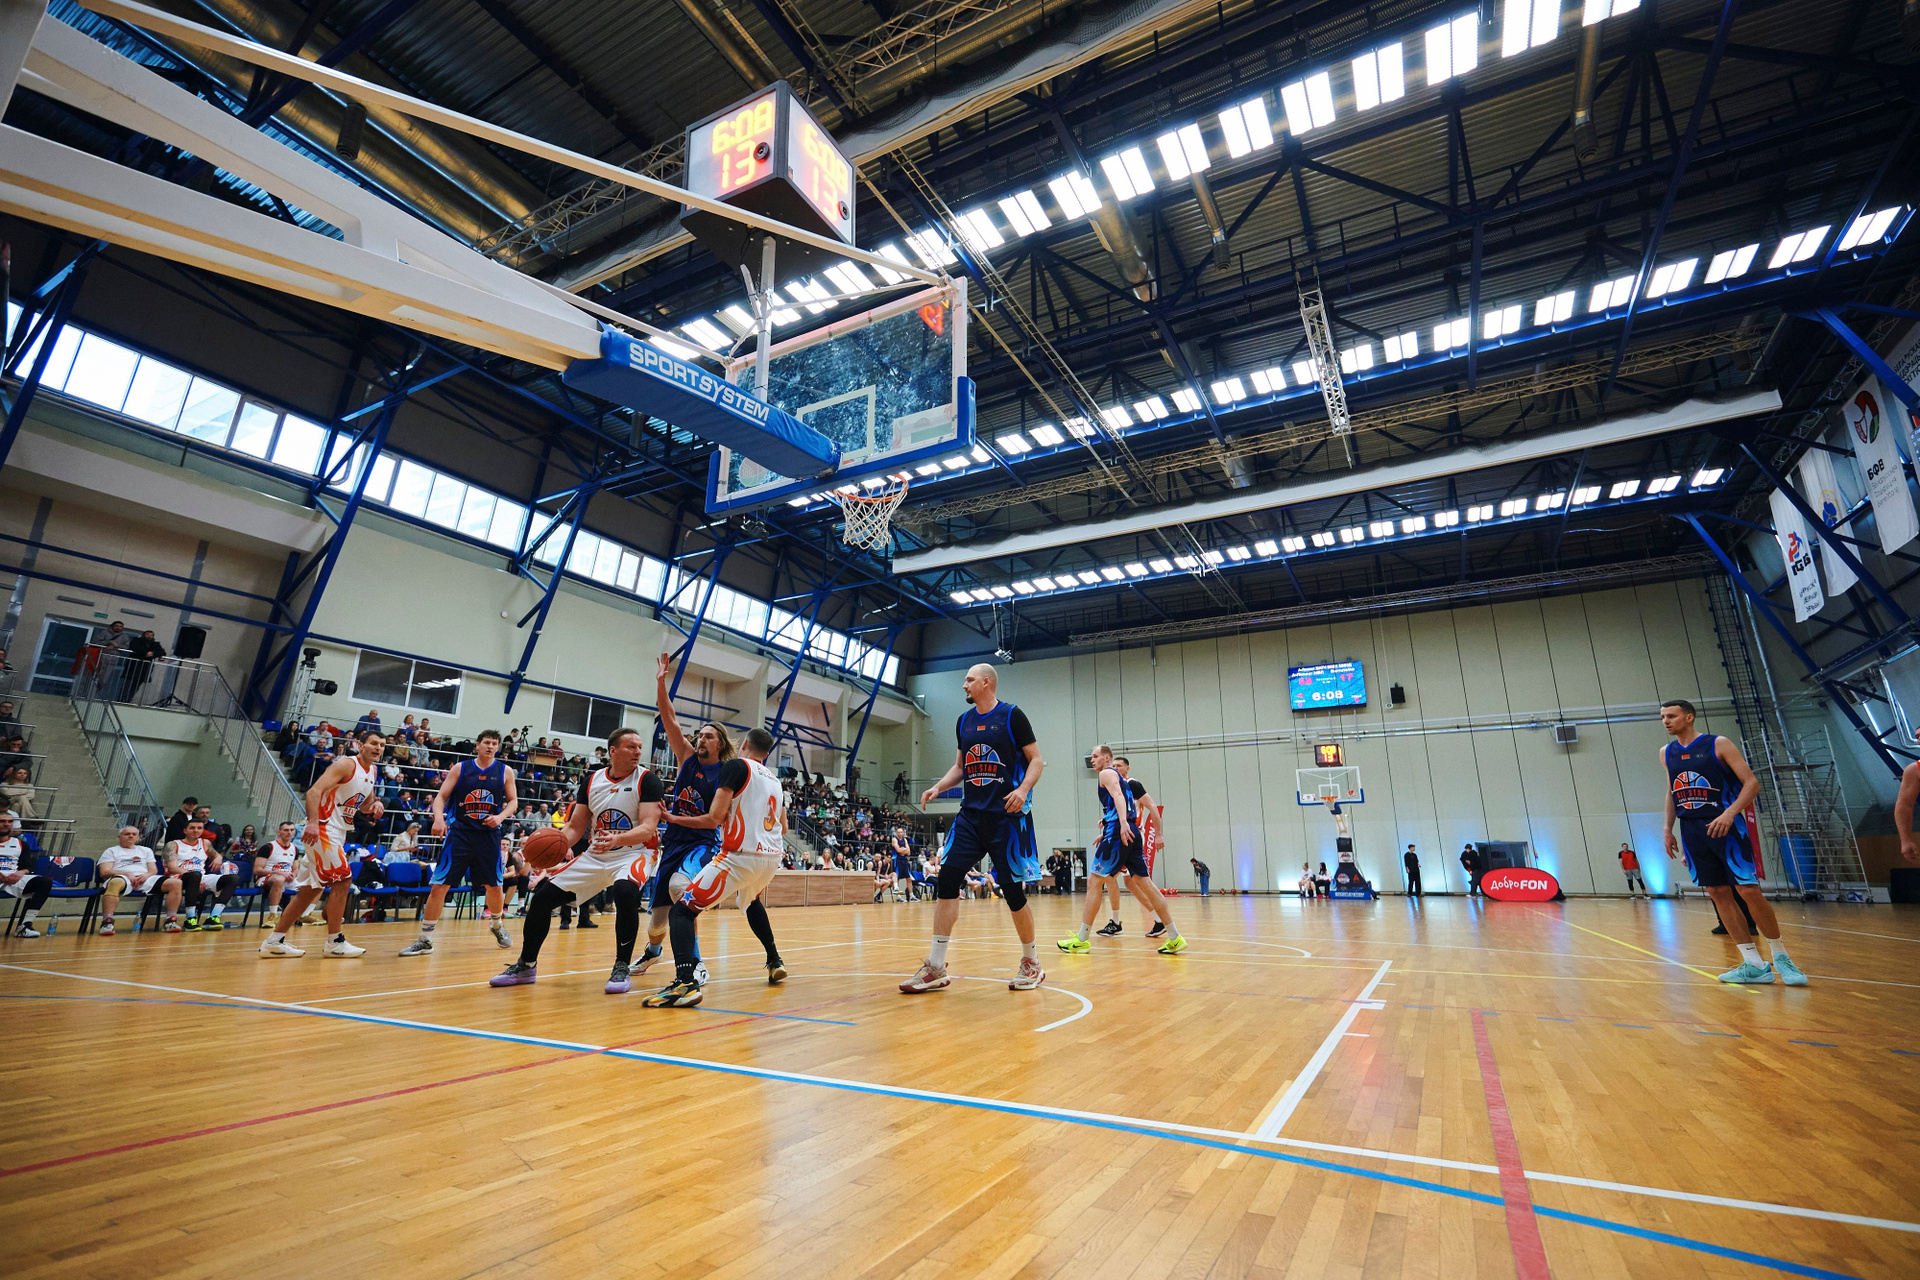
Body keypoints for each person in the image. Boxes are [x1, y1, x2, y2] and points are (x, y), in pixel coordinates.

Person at [901, 663, 1047, 994]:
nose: (964, 685)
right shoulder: (963, 721)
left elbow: (1036, 760)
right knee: (948, 879)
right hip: (970, 816)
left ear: (986, 682)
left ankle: (1032, 963)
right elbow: (960, 767)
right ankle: (936, 966)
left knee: (1013, 892)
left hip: (1006, 817)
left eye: (969, 680)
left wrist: (1023, 789)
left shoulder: (1012, 716)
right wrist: (938, 787)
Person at [490, 725, 664, 991]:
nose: (638, 751)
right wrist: (545, 848)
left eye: (640, 747)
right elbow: (575, 827)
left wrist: (616, 839)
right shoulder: (593, 780)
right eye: (631, 747)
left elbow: (649, 827)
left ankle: (621, 966)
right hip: (597, 854)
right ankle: (526, 966)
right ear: (613, 751)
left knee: (625, 892)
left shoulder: (647, 780)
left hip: (636, 852)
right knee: (542, 898)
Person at [1659, 698, 1807, 985]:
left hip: (1727, 826)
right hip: (1692, 829)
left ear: (1689, 717)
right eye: (1663, 717)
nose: (1666, 721)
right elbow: (1671, 791)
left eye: (1672, 716)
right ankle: (1753, 963)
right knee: (1717, 891)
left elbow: (1752, 783)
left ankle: (1781, 956)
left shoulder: (1718, 744)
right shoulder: (1667, 753)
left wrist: (1729, 813)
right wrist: (1667, 828)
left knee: (1748, 890)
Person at [643, 727, 790, 1007]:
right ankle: (774, 960)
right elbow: (782, 827)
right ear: (767, 753)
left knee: (682, 910)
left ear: (744, 744)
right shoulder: (775, 781)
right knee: (751, 902)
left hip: (741, 855)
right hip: (771, 858)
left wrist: (673, 818)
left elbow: (713, 818)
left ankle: (685, 983)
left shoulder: (736, 766)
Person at [636, 652, 729, 980]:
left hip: (702, 843)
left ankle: (696, 963)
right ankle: (653, 952)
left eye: (708, 736)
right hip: (673, 843)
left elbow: (713, 821)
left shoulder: (725, 775)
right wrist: (661, 682)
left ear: (720, 744)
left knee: (680, 889)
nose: (701, 738)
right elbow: (669, 717)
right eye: (700, 734)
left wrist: (674, 819)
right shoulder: (687, 758)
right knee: (657, 921)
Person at [259, 728, 384, 959]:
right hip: (324, 828)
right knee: (343, 880)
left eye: (382, 745)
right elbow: (314, 792)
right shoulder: (346, 764)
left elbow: (365, 805)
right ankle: (334, 941)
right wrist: (313, 823)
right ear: (360, 745)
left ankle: (273, 942)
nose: (378, 748)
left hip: (339, 831)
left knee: (311, 890)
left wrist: (376, 805)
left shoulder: (373, 771)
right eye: (374, 743)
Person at [401, 729, 517, 955]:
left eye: (494, 743)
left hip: (488, 835)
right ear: (477, 745)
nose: (490, 746)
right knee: (439, 886)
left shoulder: (505, 771)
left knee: (495, 886)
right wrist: (438, 819)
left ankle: (497, 925)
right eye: (486, 742)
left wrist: (501, 817)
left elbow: (513, 801)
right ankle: (425, 939)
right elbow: (441, 797)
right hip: (460, 834)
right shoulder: (460, 768)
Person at [1059, 744, 1184, 954]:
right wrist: (1116, 825)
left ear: (1107, 758)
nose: (1092, 759)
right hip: (1129, 831)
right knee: (1145, 884)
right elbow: (1119, 800)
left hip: (1120, 832)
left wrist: (1122, 824)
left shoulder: (1106, 774)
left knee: (1094, 882)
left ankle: (1082, 939)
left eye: (1096, 756)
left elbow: (1118, 796)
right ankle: (1174, 936)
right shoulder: (1122, 780)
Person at [96, 825, 161, 935]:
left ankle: (171, 920)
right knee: (115, 883)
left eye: (134, 834)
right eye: (127, 834)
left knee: (175, 883)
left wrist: (146, 875)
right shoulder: (111, 851)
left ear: (138, 838)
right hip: (122, 877)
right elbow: (104, 872)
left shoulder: (146, 850)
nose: (131, 836)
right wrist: (126, 873)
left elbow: (153, 870)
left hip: (144, 878)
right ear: (119, 837)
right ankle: (107, 922)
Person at [0, 813, 52, 937]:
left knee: (44, 883)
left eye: (10, 821)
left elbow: (28, 866)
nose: (7, 824)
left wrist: (20, 873)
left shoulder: (20, 843)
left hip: (12, 878)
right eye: (2, 821)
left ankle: (25, 926)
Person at [252, 822, 300, 928]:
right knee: (279, 879)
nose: (289, 833)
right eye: (286, 830)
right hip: (265, 878)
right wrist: (279, 873)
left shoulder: (295, 848)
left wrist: (293, 875)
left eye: (292, 830)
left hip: (286, 878)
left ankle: (305, 914)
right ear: (279, 832)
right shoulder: (268, 847)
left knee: (314, 884)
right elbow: (257, 870)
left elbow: (296, 868)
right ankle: (273, 915)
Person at [127, 629, 165, 696]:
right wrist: (146, 653)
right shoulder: (136, 641)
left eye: (151, 635)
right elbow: (134, 647)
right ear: (143, 635)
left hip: (146, 666)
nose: (149, 636)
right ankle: (122, 698)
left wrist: (153, 653)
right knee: (128, 683)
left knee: (137, 684)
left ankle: (129, 698)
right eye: (147, 634)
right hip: (135, 664)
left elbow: (162, 652)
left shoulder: (155, 644)